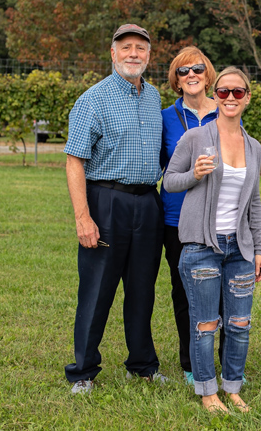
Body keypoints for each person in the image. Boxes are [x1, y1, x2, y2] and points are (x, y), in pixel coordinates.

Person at [64, 24, 165, 395]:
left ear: (149, 55)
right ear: (113, 53)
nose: (133, 53)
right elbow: (74, 161)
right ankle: (83, 371)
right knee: (97, 290)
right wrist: (83, 217)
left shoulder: (153, 96)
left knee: (142, 289)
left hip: (148, 202)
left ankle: (142, 365)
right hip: (106, 201)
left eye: (140, 47)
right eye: (126, 47)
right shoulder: (93, 99)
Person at [163, 67, 261, 413]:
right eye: (223, 92)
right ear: (215, 95)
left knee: (239, 324)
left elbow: (253, 203)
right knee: (205, 324)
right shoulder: (196, 138)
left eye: (238, 92)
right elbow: (169, 181)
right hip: (202, 247)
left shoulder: (254, 147)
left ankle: (232, 388)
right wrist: (194, 174)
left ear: (247, 97)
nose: (230, 98)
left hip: (240, 249)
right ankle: (208, 391)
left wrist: (259, 250)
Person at [160, 46, 219, 385]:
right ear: (177, 80)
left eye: (197, 68)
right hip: (176, 219)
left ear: (208, 76)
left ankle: (226, 360)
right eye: (183, 71)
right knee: (184, 293)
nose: (191, 74)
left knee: (222, 293)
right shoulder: (166, 118)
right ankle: (191, 363)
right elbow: (161, 169)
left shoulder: (226, 111)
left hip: (218, 218)